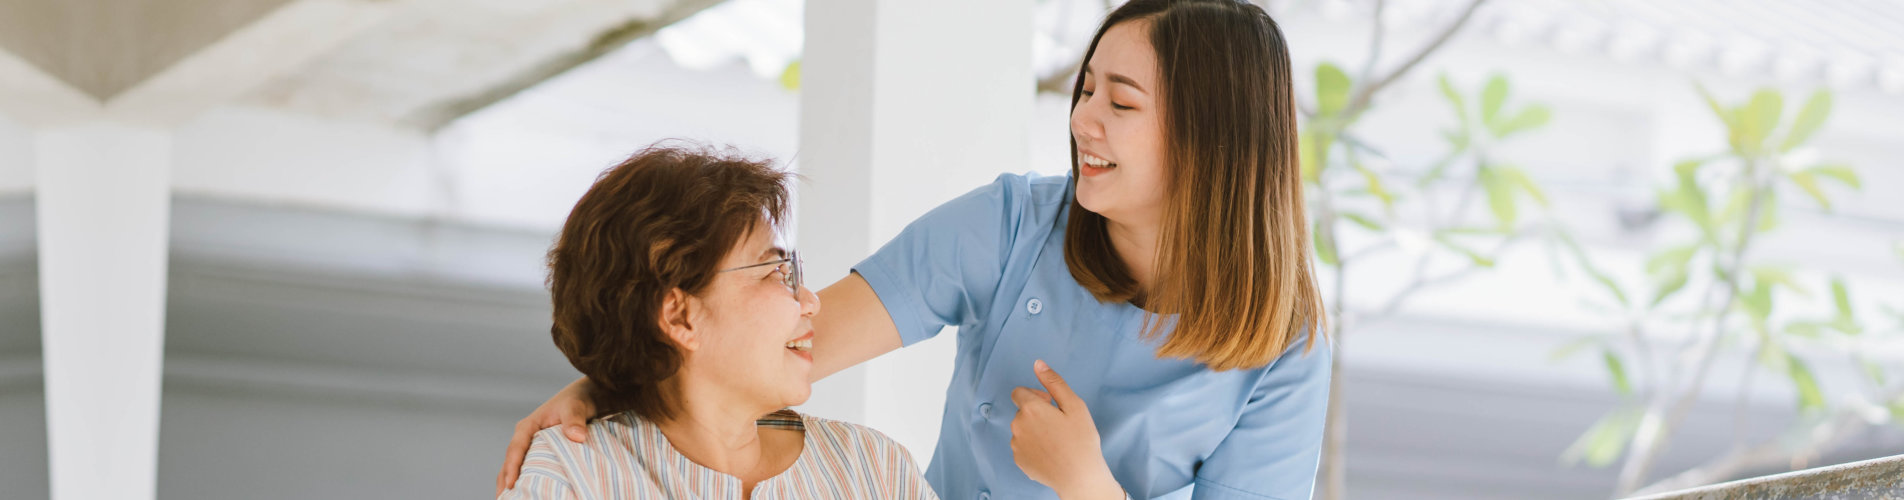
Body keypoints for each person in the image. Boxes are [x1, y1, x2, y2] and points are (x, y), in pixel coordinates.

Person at [499, 1, 1332, 498]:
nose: (1082, 120)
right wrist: (619, 365)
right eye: (1084, 90)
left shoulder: (1282, 349)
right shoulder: (1010, 226)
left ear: (1213, 140)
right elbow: (775, 343)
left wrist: (1086, 486)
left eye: (1120, 102)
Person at [497, 144, 937, 499]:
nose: (810, 302)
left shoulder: (874, 469)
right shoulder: (570, 477)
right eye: (773, 272)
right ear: (679, 315)